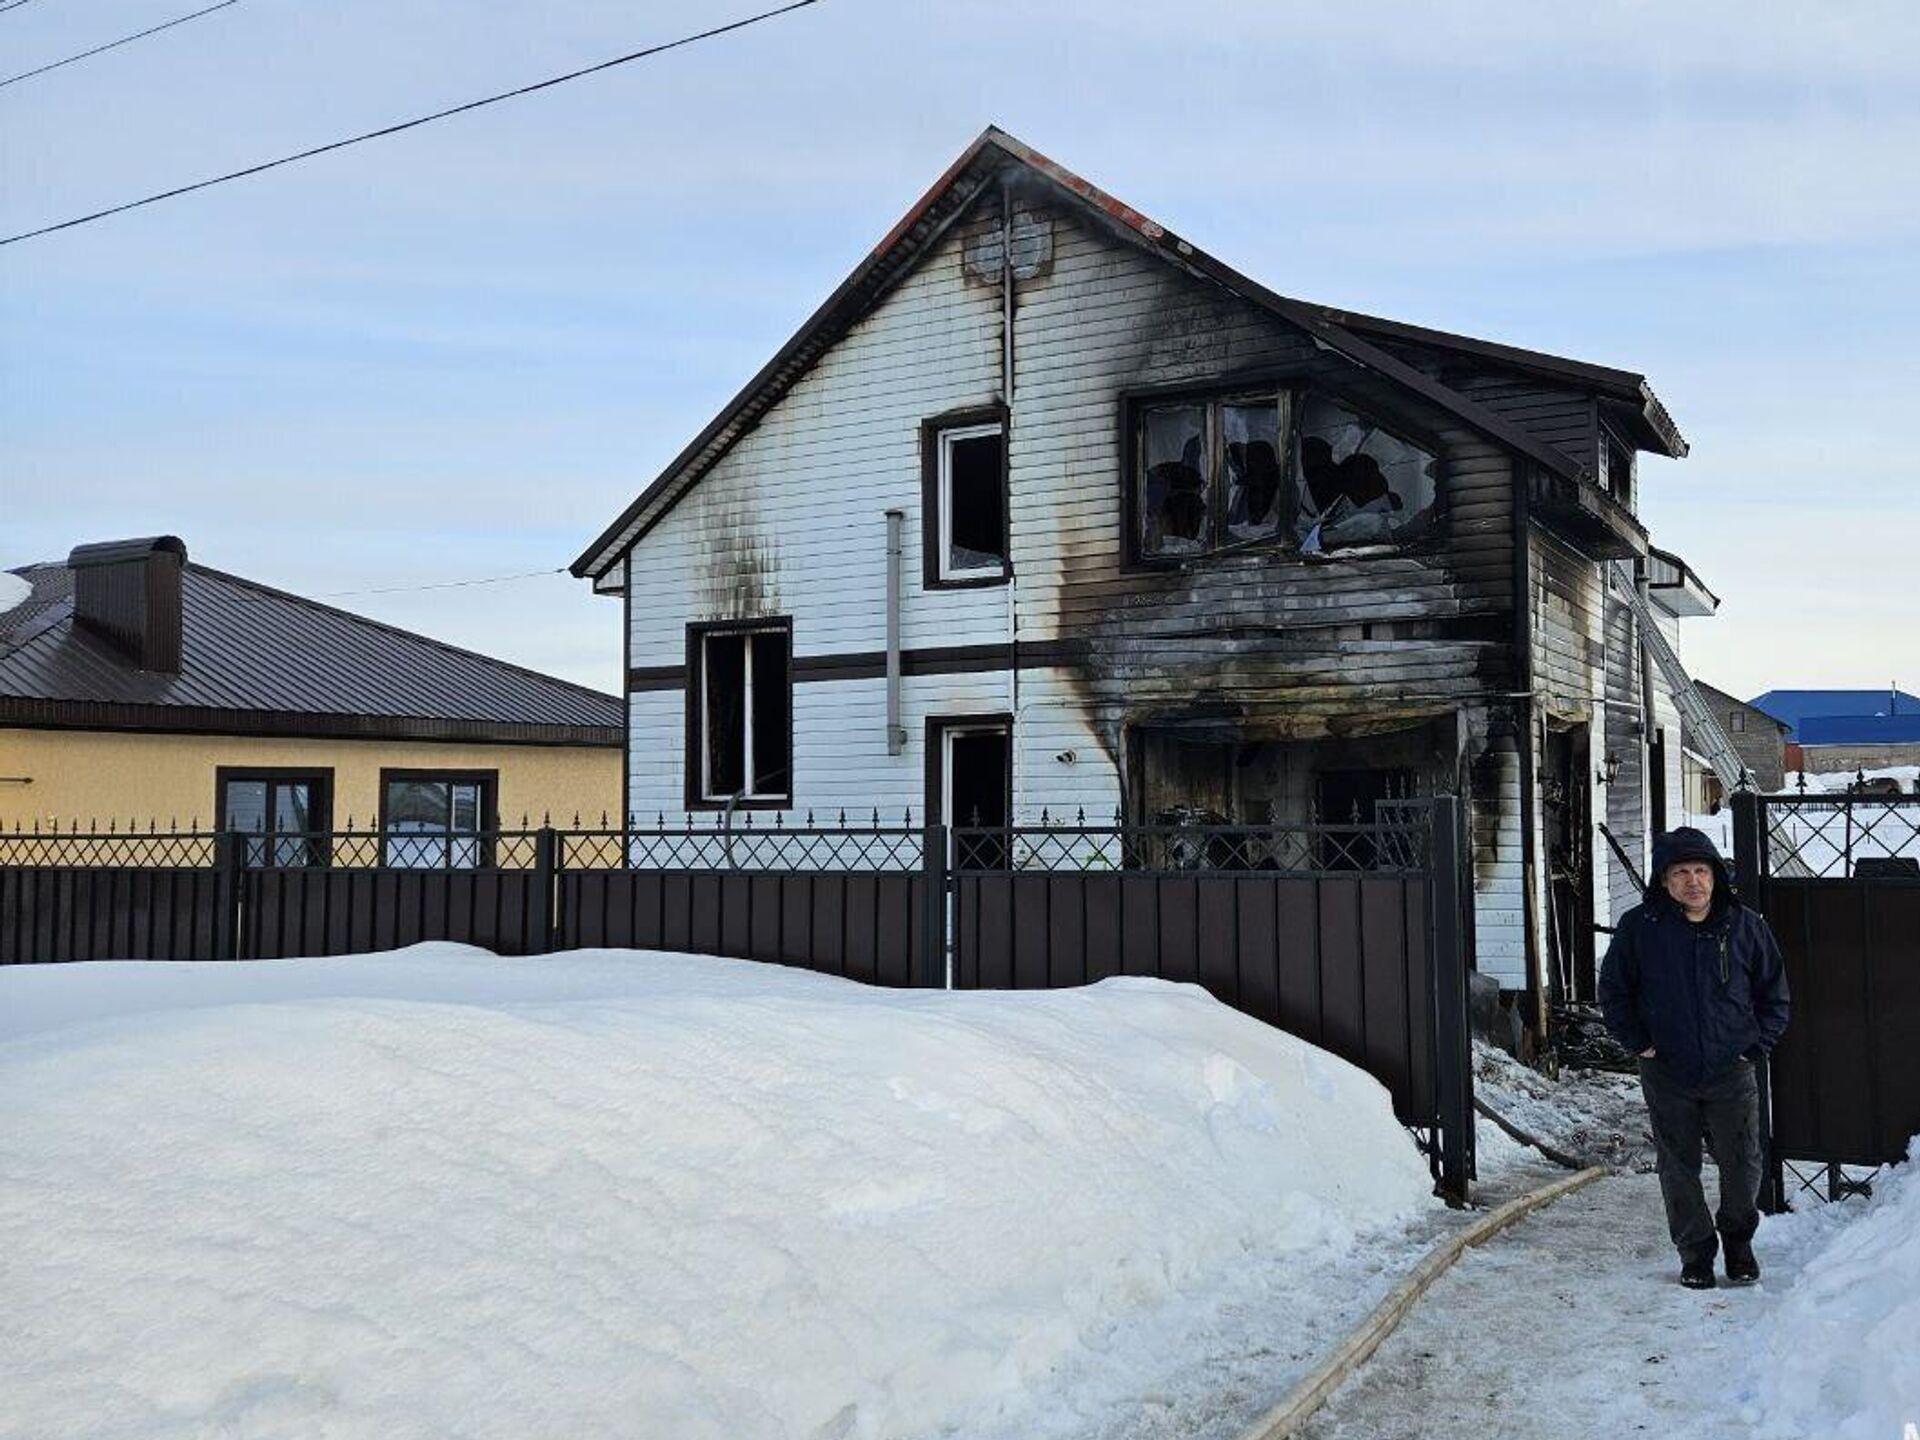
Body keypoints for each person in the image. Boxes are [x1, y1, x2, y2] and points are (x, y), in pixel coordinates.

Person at [1598, 827, 1791, 1290]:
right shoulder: (1640, 928)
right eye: (1680, 872)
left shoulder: (1745, 926)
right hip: (1667, 1070)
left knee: (1743, 1164)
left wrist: (1755, 1046)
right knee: (1677, 1166)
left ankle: (1738, 1244)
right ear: (1664, 881)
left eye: (1701, 871)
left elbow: (1775, 995)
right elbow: (1614, 991)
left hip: (1732, 1069)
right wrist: (1638, 1043)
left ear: (1716, 877)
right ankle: (1695, 1254)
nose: (1693, 881)